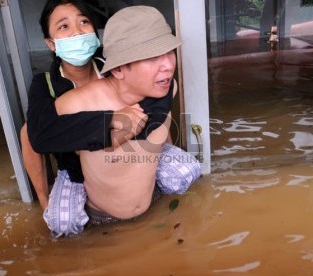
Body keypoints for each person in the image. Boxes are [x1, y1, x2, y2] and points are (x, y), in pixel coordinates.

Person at [22, 0, 200, 237]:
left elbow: (157, 110)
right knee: (62, 223)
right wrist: (108, 124)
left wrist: (160, 150)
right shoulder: (50, 89)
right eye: (64, 27)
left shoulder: (113, 66)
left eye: (84, 21)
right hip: (78, 168)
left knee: (187, 171)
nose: (76, 31)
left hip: (135, 153)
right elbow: (36, 135)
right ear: (51, 43)